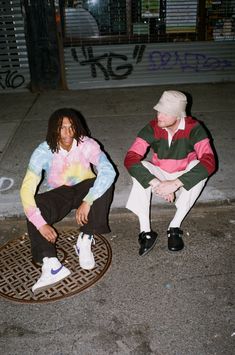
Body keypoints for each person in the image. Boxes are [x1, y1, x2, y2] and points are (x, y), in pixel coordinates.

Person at [20, 108, 116, 293]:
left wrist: (88, 201)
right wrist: (41, 224)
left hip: (84, 188)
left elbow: (108, 170)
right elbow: (26, 189)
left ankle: (85, 238)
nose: (67, 132)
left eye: (71, 127)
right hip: (60, 193)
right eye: (62, 127)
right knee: (35, 206)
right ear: (53, 129)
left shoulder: (86, 144)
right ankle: (52, 264)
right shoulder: (43, 150)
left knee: (104, 183)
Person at [124, 90, 216, 256]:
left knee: (198, 165)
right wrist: (158, 183)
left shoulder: (194, 129)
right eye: (159, 110)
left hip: (182, 177)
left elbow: (210, 162)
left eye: (166, 113)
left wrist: (174, 185)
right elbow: (130, 158)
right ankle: (146, 231)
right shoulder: (153, 127)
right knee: (142, 166)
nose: (160, 115)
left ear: (179, 115)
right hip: (160, 175)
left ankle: (174, 226)